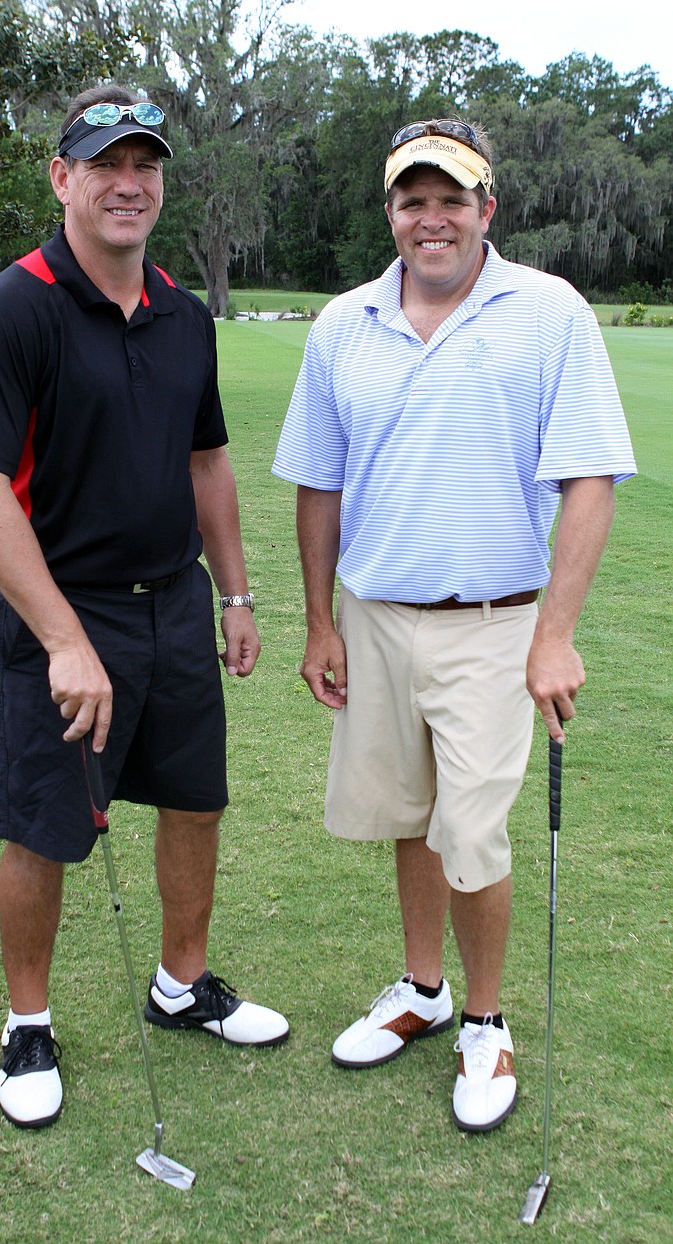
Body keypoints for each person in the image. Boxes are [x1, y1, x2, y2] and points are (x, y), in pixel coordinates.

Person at [0, 84, 289, 1130]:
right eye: (106, 165)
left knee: (195, 801)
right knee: (43, 830)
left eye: (145, 165)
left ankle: (181, 985)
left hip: (172, 604)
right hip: (54, 613)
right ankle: (27, 1025)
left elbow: (207, 460)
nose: (128, 184)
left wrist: (235, 592)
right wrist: (64, 641)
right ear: (63, 178)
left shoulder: (182, 315)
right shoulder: (14, 309)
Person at [272, 118, 635, 1132]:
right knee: (409, 813)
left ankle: (484, 1019)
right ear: (390, 211)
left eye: (451, 199)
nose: (431, 219)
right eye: (412, 200)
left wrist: (555, 634)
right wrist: (319, 623)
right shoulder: (343, 323)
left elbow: (590, 479)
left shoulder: (549, 312)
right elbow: (318, 482)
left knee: (470, 829)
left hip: (495, 622)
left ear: (486, 207)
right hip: (374, 614)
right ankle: (424, 989)